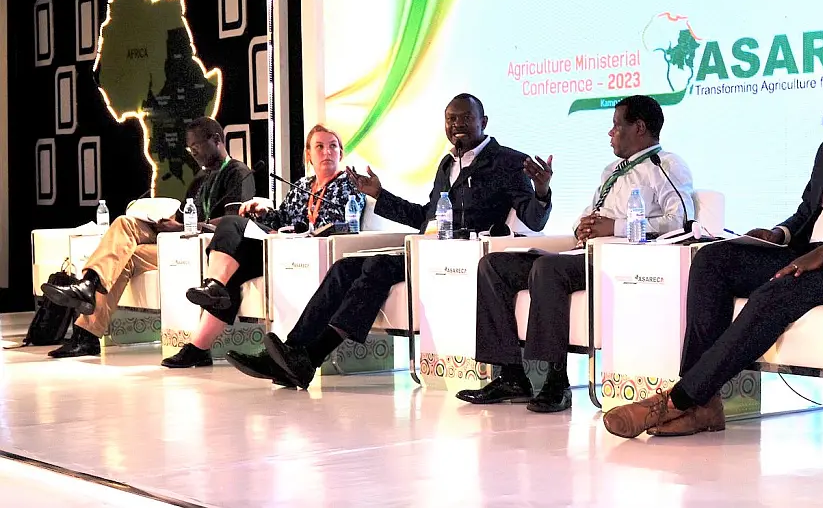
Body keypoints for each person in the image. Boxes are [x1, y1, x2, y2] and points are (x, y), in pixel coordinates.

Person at [602, 58, 823, 439]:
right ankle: (706, 405)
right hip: (803, 252)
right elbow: (808, 213)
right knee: (712, 260)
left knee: (773, 292)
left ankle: (676, 403)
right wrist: (779, 233)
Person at [225, 93, 554, 388]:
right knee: (345, 267)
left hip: (468, 257)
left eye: (466, 118)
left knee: (380, 265)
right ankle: (292, 352)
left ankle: (310, 358)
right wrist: (380, 195)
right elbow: (427, 216)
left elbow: (534, 219)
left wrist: (541, 192)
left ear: (484, 122)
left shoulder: (509, 161)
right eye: (450, 119)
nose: (457, 125)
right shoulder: (447, 163)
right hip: (429, 250)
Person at [456, 95, 694, 413]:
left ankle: (557, 382)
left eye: (616, 126)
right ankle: (512, 377)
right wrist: (582, 226)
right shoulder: (612, 170)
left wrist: (616, 227)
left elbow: (680, 220)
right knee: (493, 265)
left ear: (639, 128)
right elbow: (592, 213)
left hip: (619, 261)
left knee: (547, 269)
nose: (610, 134)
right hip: (582, 254)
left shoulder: (664, 165)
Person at [40, 117, 256, 358]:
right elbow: (185, 215)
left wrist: (182, 227)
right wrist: (166, 223)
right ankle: (87, 328)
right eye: (190, 148)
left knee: (124, 251)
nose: (193, 153)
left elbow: (233, 223)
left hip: (209, 253)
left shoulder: (238, 173)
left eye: (196, 146)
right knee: (123, 241)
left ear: (216, 140)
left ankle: (88, 287)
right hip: (179, 246)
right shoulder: (199, 179)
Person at [162, 125, 365, 368]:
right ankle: (209, 304)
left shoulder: (349, 184)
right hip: (280, 249)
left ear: (341, 153)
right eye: (319, 146)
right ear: (308, 155)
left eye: (333, 146)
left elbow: (334, 222)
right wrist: (263, 209)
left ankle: (209, 317)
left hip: (311, 252)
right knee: (231, 227)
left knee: (234, 265)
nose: (327, 152)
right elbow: (281, 217)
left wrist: (289, 229)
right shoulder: (303, 184)